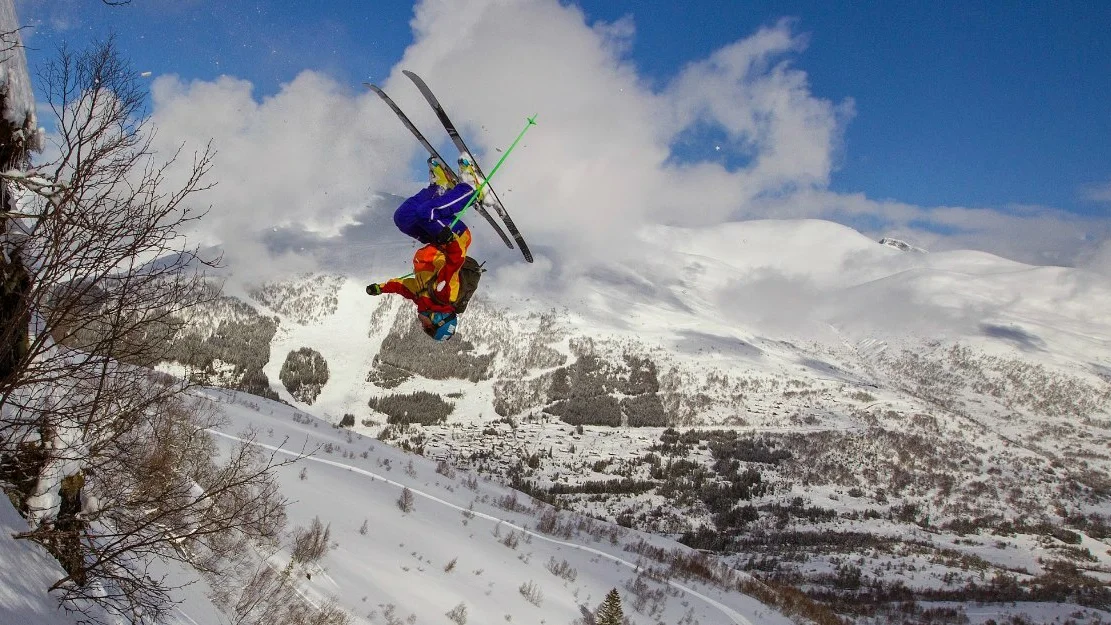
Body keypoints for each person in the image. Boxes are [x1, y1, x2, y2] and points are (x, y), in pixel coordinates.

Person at [366, 156, 484, 341]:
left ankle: (439, 188)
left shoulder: (422, 299)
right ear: (439, 319)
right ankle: (471, 189)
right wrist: (449, 240)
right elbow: (456, 259)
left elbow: (400, 286)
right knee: (426, 214)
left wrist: (380, 288)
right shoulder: (444, 294)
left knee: (403, 218)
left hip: (438, 242)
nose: (422, 326)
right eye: (428, 328)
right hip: (454, 239)